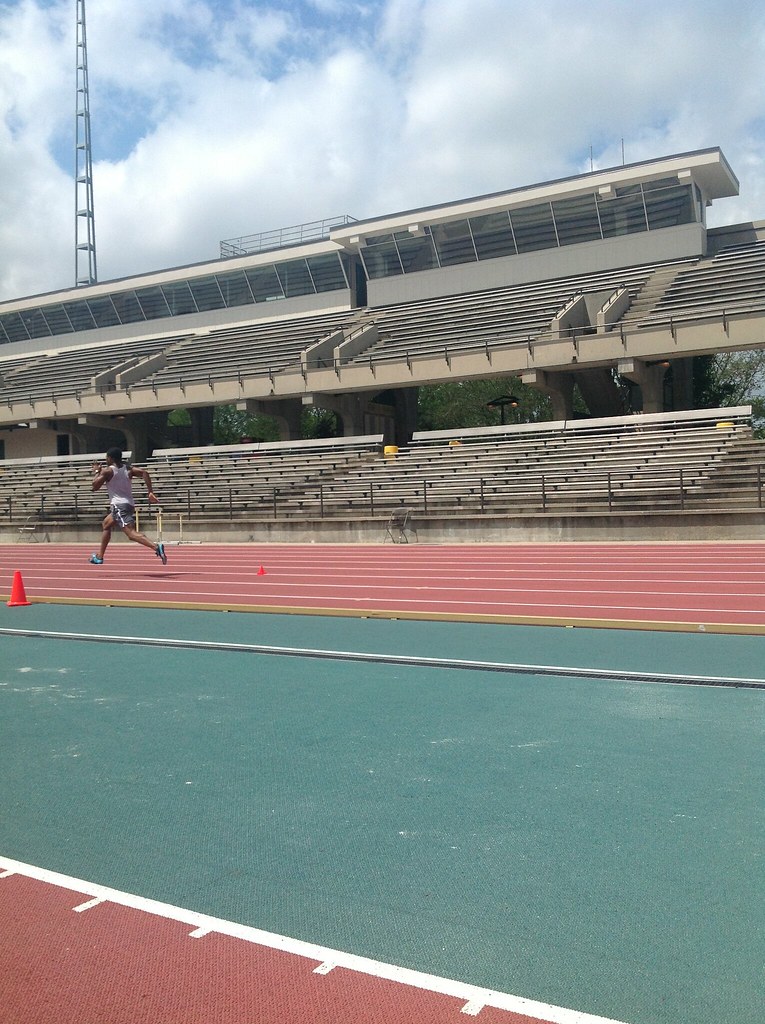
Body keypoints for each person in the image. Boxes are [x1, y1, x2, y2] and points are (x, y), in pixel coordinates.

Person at [89, 447, 167, 565]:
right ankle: (99, 557)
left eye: (106, 458)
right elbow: (145, 472)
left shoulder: (107, 471)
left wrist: (96, 472)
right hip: (128, 504)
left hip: (119, 506)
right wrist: (150, 491)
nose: (106, 460)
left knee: (131, 534)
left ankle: (156, 547)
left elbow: (94, 487)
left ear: (110, 458)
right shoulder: (128, 469)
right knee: (106, 524)